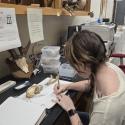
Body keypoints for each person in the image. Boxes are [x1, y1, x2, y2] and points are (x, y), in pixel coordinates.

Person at [53, 30, 125, 125]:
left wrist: (71, 109)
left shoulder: (105, 112)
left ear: (83, 62)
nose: (74, 69)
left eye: (73, 64)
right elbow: (90, 84)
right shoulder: (108, 67)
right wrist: (68, 86)